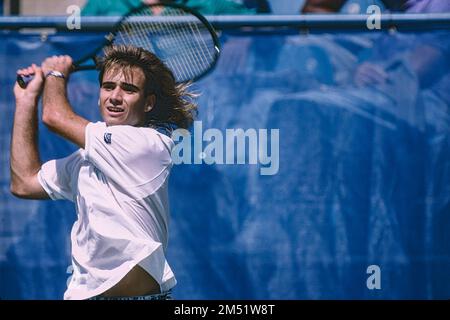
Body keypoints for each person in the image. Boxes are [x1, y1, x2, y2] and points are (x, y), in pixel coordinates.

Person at [10, 45, 197, 300]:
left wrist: (55, 74)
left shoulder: (149, 145)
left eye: (129, 89)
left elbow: (54, 116)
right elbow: (24, 183)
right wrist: (26, 101)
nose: (115, 96)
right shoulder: (85, 158)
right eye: (108, 87)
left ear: (149, 103)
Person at [81, 0, 268, 16]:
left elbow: (264, 24)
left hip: (184, 97)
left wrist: (242, 41)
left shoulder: (209, 3)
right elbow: (70, 41)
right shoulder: (103, 2)